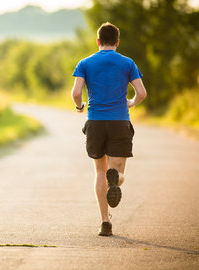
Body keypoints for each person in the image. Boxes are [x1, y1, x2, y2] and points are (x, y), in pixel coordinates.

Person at [71, 22, 147, 236]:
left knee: (99, 172)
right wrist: (130, 103)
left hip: (95, 122)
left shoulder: (85, 62)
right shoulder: (127, 62)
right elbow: (141, 93)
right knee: (118, 172)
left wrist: (79, 107)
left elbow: (76, 92)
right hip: (119, 121)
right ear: (117, 41)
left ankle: (105, 222)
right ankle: (117, 179)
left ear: (98, 41)